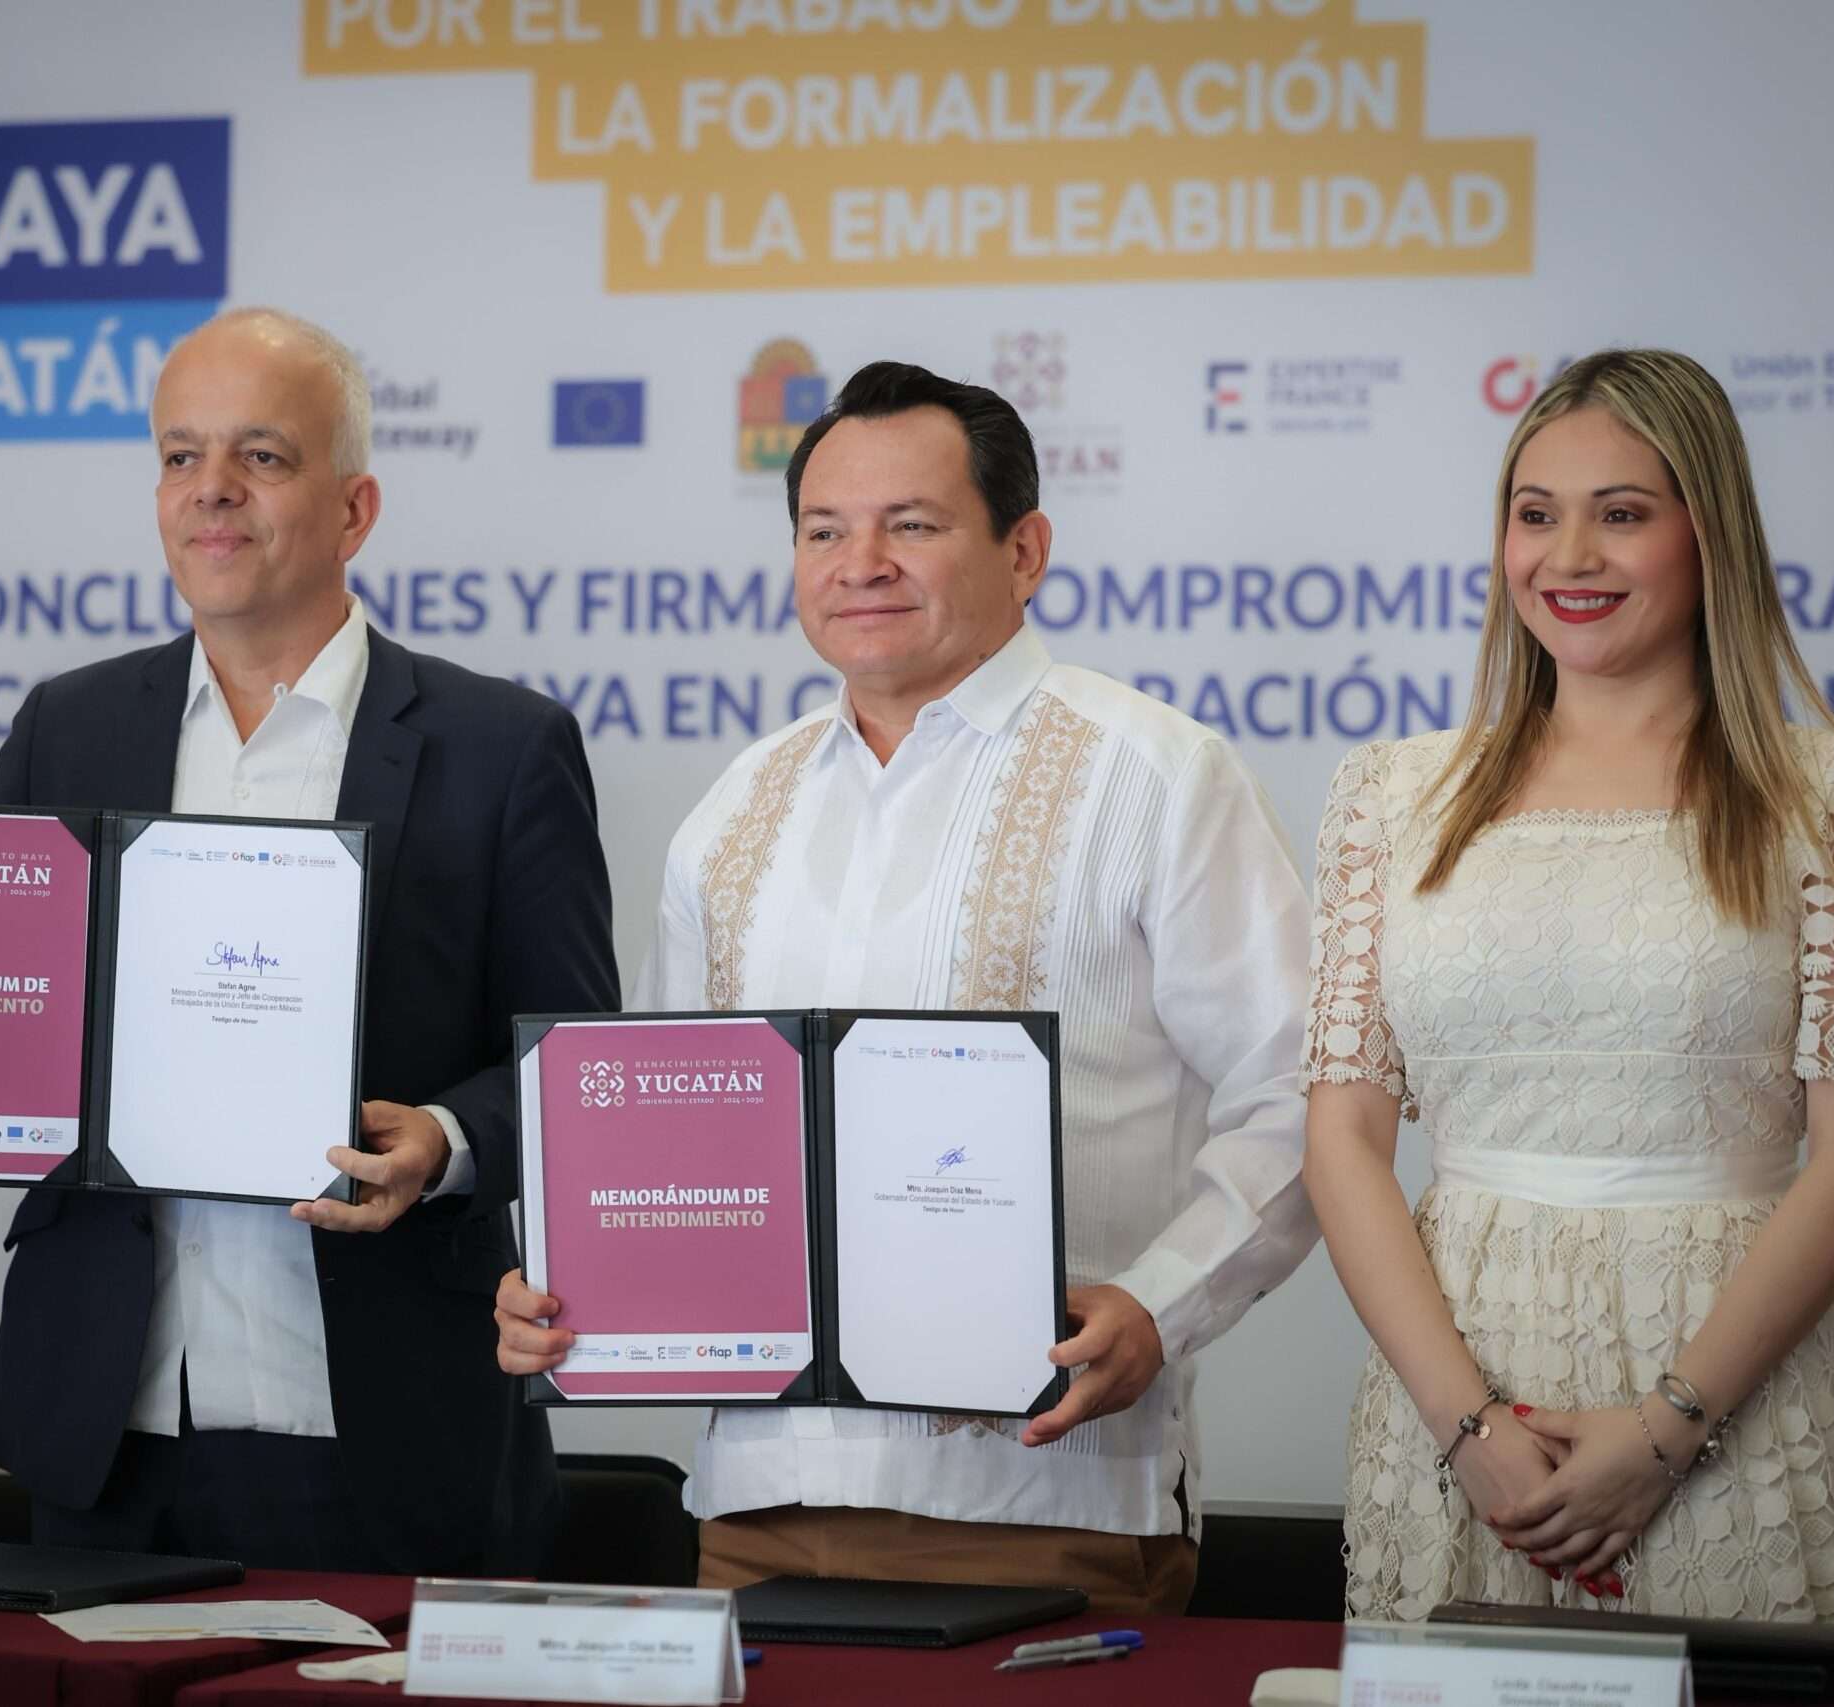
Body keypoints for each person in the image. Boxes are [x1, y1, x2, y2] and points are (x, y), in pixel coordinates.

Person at [0, 307, 617, 1572]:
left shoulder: (502, 747)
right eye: (179, 456)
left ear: (354, 509)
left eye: (261, 456)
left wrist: (444, 1141)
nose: (211, 488)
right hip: (106, 1423)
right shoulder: (67, 728)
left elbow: (576, 1062)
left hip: (387, 1418)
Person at [495, 361, 1320, 1612]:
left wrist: (1160, 1306)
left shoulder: (1154, 778)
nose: (860, 564)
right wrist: (567, 1287)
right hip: (757, 1502)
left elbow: (1303, 1094)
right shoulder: (739, 808)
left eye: (912, 526)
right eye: (823, 531)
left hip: (1044, 1498)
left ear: (1023, 551)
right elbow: (656, 1131)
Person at [1301, 348, 1834, 1622]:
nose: (1567, 557)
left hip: (1743, 1404)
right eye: (1535, 514)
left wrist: (1667, 1428)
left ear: (1708, 533)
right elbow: (1342, 1144)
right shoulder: (1392, 794)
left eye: (1620, 513)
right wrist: (1471, 1431)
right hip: (1462, 1400)